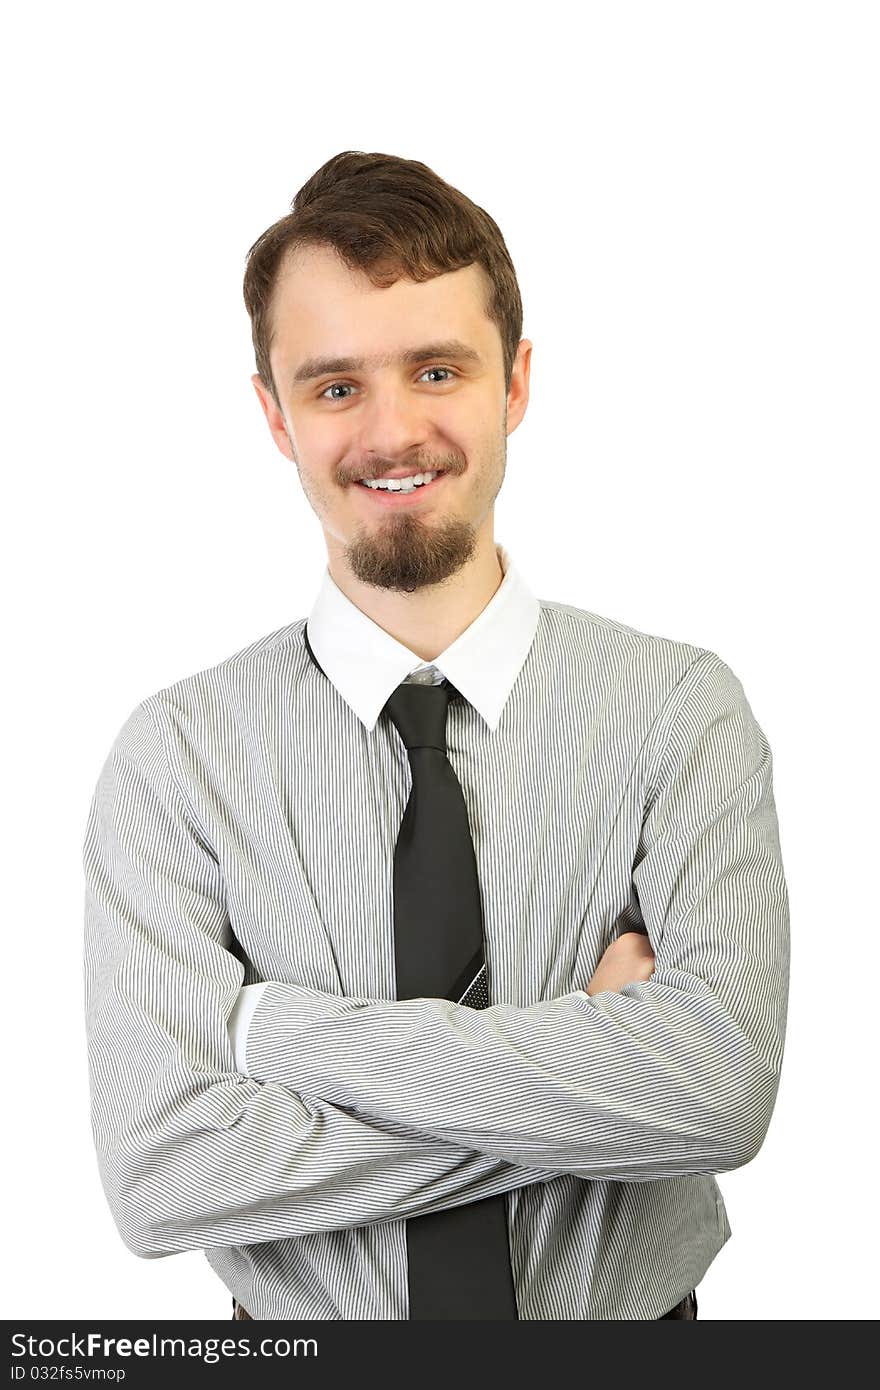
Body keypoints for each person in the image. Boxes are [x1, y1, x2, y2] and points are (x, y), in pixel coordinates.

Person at [82, 150, 789, 1322]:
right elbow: (166, 1172)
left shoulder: (678, 713)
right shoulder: (176, 763)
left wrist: (277, 1034)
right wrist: (593, 1084)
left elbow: (715, 1095)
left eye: (437, 369)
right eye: (336, 387)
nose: (393, 432)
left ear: (514, 383)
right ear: (275, 415)